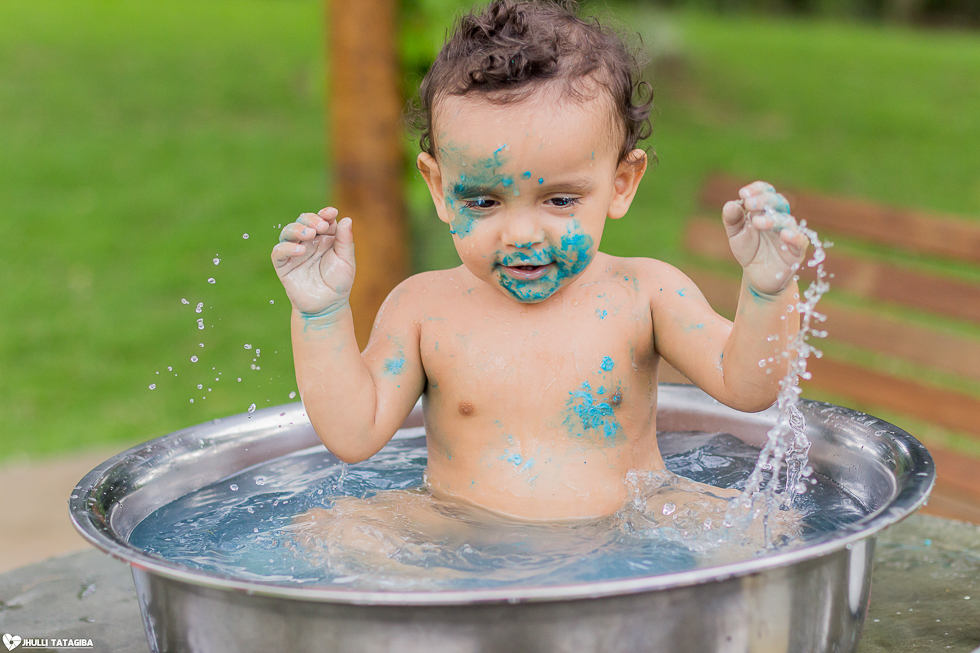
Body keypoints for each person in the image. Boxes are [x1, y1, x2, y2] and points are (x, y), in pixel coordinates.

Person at [271, 0, 808, 522]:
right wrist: (320, 312)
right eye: (483, 201)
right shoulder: (422, 309)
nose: (523, 234)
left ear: (622, 184)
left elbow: (750, 388)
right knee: (333, 529)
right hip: (463, 530)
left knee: (767, 527)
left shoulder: (644, 294)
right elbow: (353, 434)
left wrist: (767, 289)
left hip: (628, 529)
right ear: (439, 187)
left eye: (560, 200)